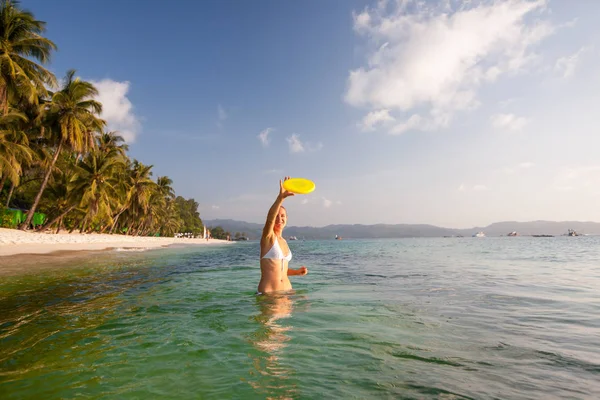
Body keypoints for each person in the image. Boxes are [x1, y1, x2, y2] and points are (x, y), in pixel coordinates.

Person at [257, 177, 308, 294]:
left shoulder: (284, 241)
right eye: (277, 216)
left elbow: (279, 269)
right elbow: (269, 219)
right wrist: (280, 199)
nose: (279, 219)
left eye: (283, 216)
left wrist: (296, 272)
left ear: (287, 219)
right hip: (269, 295)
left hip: (287, 293)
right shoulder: (268, 238)